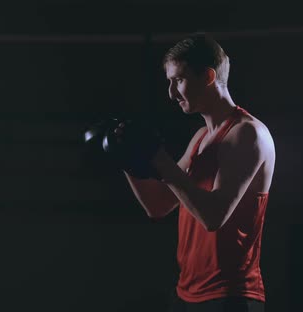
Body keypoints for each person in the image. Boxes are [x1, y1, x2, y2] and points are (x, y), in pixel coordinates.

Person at [118, 33, 276, 311]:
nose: (171, 93)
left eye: (178, 80)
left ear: (207, 77)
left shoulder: (248, 134)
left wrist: (160, 160)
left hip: (230, 296)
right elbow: (158, 205)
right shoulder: (201, 137)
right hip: (186, 294)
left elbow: (214, 216)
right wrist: (127, 157)